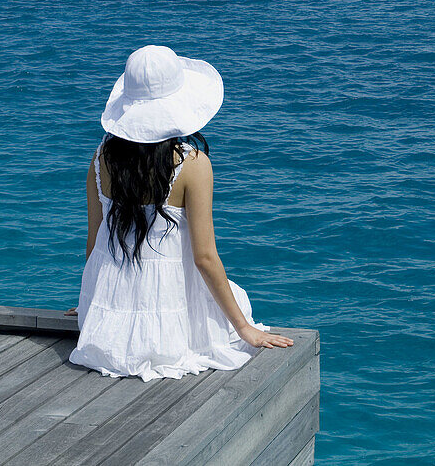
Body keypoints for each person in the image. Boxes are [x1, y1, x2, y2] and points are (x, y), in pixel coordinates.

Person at [66, 45, 293, 380]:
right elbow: (204, 257)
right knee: (235, 306)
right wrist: (244, 328)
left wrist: (94, 302)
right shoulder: (192, 165)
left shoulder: (102, 157)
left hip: (109, 324)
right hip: (167, 319)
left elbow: (96, 239)